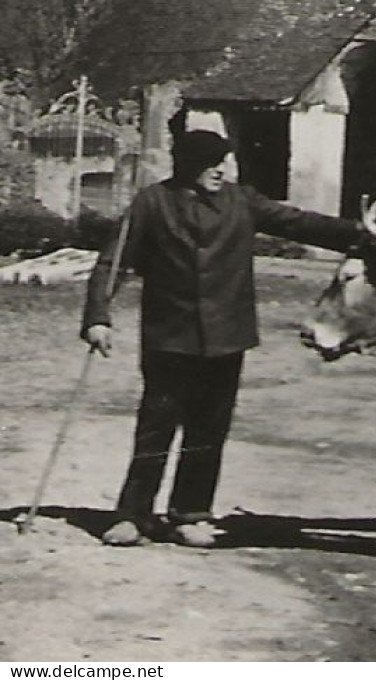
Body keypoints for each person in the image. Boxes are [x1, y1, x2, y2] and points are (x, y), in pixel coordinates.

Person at [82, 130, 359, 548]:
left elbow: (299, 222)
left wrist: (365, 234)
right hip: (169, 337)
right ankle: (133, 516)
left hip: (226, 337)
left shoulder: (242, 200)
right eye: (212, 163)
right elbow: (112, 262)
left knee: (209, 429)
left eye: (224, 162)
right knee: (155, 427)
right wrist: (97, 317)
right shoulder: (151, 202)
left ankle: (190, 515)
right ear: (189, 165)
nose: (221, 170)